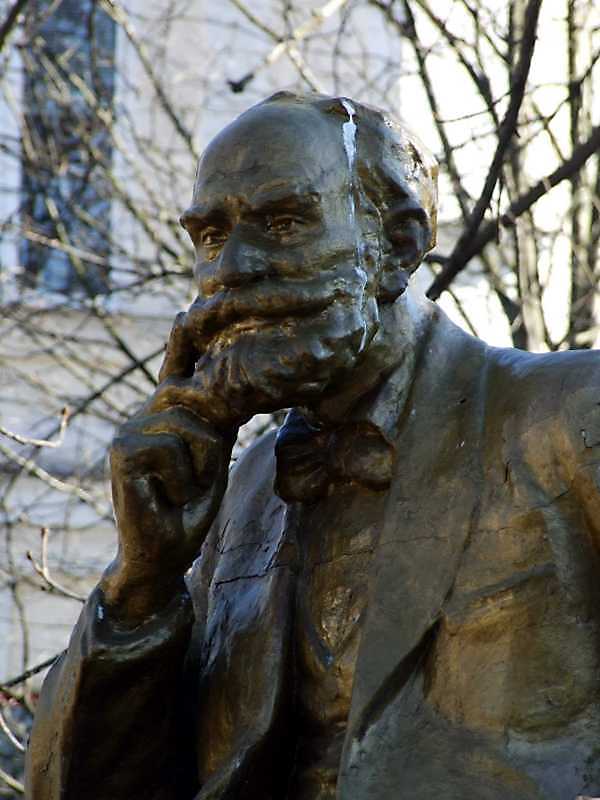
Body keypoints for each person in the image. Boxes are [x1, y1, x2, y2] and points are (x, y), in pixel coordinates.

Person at [26, 92, 600, 800]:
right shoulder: (243, 493)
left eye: (284, 223)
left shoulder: (568, 416)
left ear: (399, 245)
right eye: (211, 237)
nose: (232, 269)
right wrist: (142, 583)